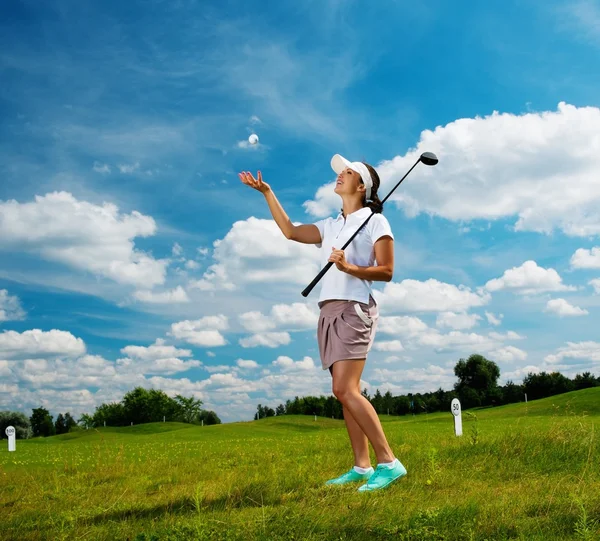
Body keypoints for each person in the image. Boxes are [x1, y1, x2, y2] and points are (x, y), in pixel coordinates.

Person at [238, 154, 406, 492]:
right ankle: (361, 467)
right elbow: (289, 231)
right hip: (327, 312)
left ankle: (389, 462)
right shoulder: (331, 226)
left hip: (354, 308)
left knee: (344, 389)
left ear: (361, 186)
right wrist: (267, 193)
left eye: (347, 172)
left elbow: (387, 271)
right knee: (345, 395)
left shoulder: (375, 222)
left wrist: (348, 269)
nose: (339, 175)